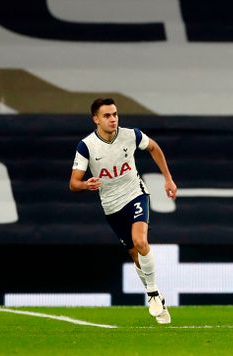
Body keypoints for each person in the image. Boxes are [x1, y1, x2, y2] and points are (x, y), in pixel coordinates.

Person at [69, 98, 178, 324]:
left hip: (135, 194)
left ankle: (153, 293)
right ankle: (154, 294)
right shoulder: (86, 146)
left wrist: (168, 179)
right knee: (134, 254)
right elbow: (73, 183)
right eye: (107, 116)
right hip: (111, 205)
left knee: (140, 241)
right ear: (96, 119)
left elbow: (154, 147)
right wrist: (85, 185)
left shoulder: (131, 135)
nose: (113, 119)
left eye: (115, 114)